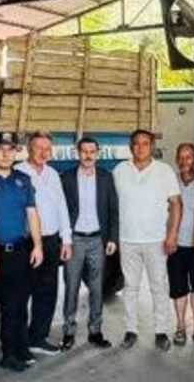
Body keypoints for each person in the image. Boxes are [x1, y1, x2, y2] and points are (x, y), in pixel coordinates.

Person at [0, 132, 44, 372]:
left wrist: (38, 245)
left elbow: (32, 214)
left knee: (18, 304)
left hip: (18, 252)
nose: (5, 154)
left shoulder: (23, 180)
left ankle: (19, 348)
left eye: (10, 149)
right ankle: (0, 354)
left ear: (16, 152)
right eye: (1, 149)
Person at [113, 128, 182, 351]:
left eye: (145, 143)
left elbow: (176, 204)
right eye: (136, 143)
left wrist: (172, 235)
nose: (140, 148)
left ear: (152, 146)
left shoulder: (164, 171)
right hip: (128, 239)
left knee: (159, 287)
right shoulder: (120, 171)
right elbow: (112, 206)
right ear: (130, 147)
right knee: (130, 288)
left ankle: (161, 331)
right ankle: (130, 330)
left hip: (156, 240)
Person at [15, 131, 73, 356]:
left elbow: (62, 207)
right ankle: (19, 341)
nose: (43, 152)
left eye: (47, 148)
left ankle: (38, 338)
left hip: (51, 241)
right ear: (29, 149)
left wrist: (66, 239)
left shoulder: (53, 174)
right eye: (39, 147)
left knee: (47, 291)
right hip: (26, 242)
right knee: (21, 293)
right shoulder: (18, 172)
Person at [60, 136, 119, 350]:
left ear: (97, 153)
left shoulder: (106, 177)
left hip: (97, 240)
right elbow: (61, 211)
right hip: (74, 240)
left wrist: (112, 238)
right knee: (71, 287)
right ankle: (68, 332)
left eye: (92, 151)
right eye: (84, 151)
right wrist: (64, 240)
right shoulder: (67, 178)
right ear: (78, 153)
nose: (88, 155)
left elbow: (113, 210)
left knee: (97, 288)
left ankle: (95, 331)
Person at [167, 142, 194, 348]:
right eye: (181, 157)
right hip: (175, 245)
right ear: (177, 159)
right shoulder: (170, 181)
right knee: (178, 288)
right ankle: (180, 326)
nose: (185, 161)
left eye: (189, 157)